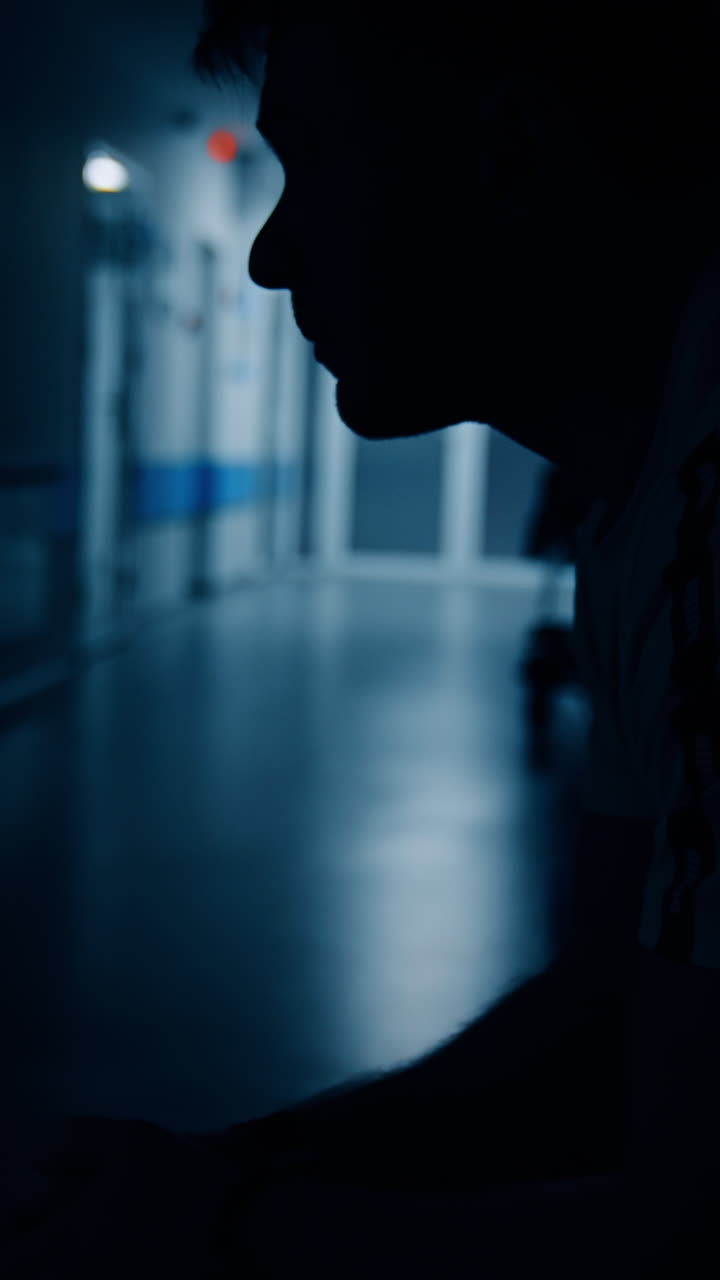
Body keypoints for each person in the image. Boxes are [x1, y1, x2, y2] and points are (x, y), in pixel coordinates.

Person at [4, 3, 720, 1274]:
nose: (270, 258)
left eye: (312, 160)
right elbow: (605, 1012)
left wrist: (217, 1231)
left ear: (509, 148)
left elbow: (692, 1229)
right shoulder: (634, 521)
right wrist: (237, 1167)